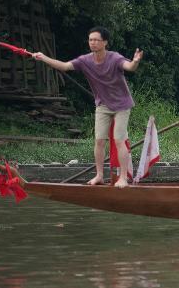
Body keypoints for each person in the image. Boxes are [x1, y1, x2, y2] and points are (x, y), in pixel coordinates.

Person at [32, 26, 142, 188]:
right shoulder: (85, 60)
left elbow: (129, 67)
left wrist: (135, 62)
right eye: (91, 40)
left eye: (97, 40)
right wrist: (43, 58)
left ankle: (123, 178)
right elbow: (64, 66)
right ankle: (99, 175)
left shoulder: (114, 58)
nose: (93, 43)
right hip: (103, 105)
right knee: (99, 141)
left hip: (121, 105)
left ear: (105, 42)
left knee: (119, 140)